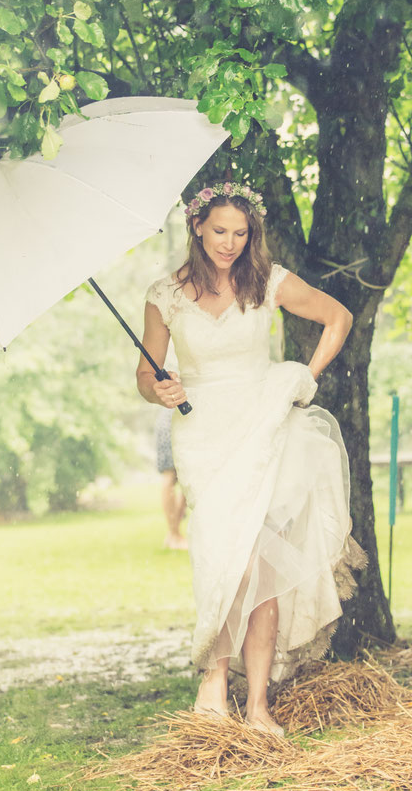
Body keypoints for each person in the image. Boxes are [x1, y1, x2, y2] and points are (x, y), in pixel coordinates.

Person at [136, 181, 366, 737]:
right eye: (220, 231)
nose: (230, 243)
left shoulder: (269, 282)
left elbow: (339, 318)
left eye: (241, 233)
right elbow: (146, 373)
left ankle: (258, 705)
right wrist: (158, 388)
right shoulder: (163, 295)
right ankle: (215, 682)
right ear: (196, 228)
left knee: (260, 564)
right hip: (202, 433)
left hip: (264, 425)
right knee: (223, 555)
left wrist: (305, 378)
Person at [155, 407, 188, 550]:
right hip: (173, 418)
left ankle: (174, 534)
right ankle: (174, 535)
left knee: (186, 479)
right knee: (169, 475)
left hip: (185, 418)